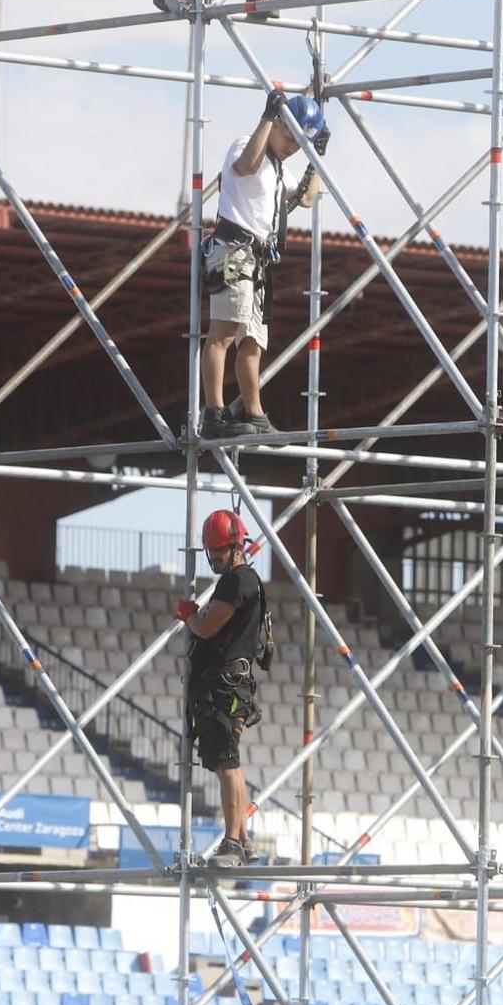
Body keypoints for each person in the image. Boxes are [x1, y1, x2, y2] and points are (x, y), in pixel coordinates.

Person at [194, 88, 328, 439]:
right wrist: (268, 118)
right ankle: (214, 412)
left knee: (252, 340)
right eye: (290, 136)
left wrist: (315, 154)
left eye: (297, 143)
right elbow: (245, 166)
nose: (291, 146)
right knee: (222, 333)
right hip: (234, 252)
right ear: (278, 125)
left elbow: (308, 198)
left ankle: (254, 412)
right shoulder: (246, 146)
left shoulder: (279, 170)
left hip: (255, 262)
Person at [178, 509, 270, 868]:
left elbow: (206, 627)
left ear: (236, 546)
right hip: (232, 685)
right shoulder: (247, 581)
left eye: (219, 551)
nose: (214, 558)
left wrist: (189, 614)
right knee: (227, 762)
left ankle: (232, 842)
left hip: (225, 687)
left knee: (226, 763)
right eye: (210, 551)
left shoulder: (236, 582)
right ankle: (243, 839)